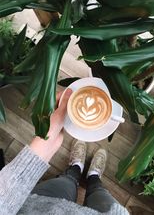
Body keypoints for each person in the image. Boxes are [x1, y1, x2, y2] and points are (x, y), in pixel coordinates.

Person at [0, 89, 129, 215]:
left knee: (67, 180)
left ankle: (76, 168)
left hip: (40, 204)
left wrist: (41, 147)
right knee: (98, 191)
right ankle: (93, 176)